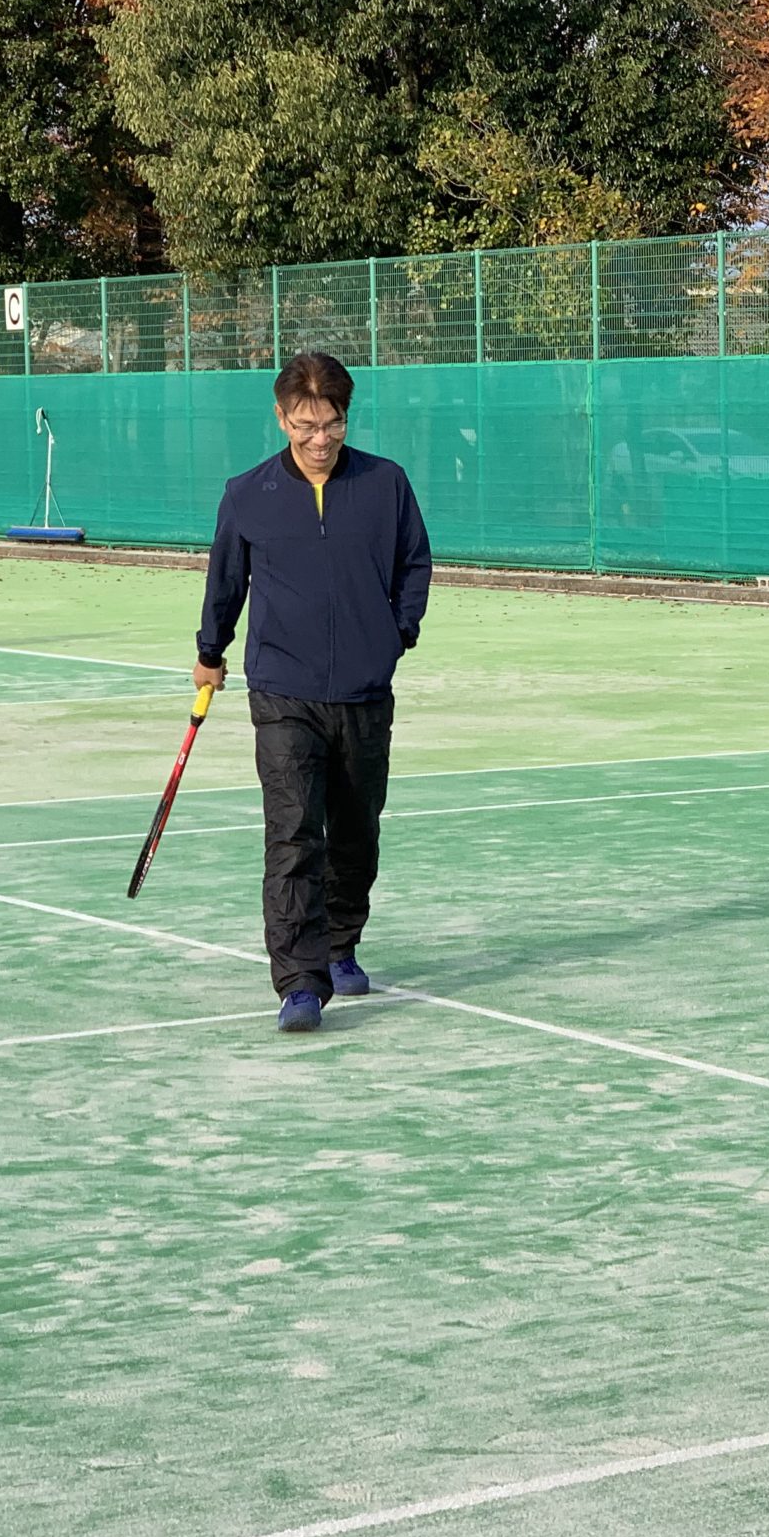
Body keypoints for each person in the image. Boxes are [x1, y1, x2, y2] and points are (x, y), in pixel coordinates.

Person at [196, 353, 432, 1033]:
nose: (320, 439)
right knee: (294, 833)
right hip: (283, 691)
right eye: (305, 426)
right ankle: (300, 982)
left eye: (331, 424)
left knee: (356, 833)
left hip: (365, 690)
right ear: (281, 419)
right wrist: (210, 651)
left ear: (345, 417)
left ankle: (340, 943)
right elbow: (225, 582)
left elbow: (414, 563)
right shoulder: (248, 494)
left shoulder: (386, 484)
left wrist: (397, 634)